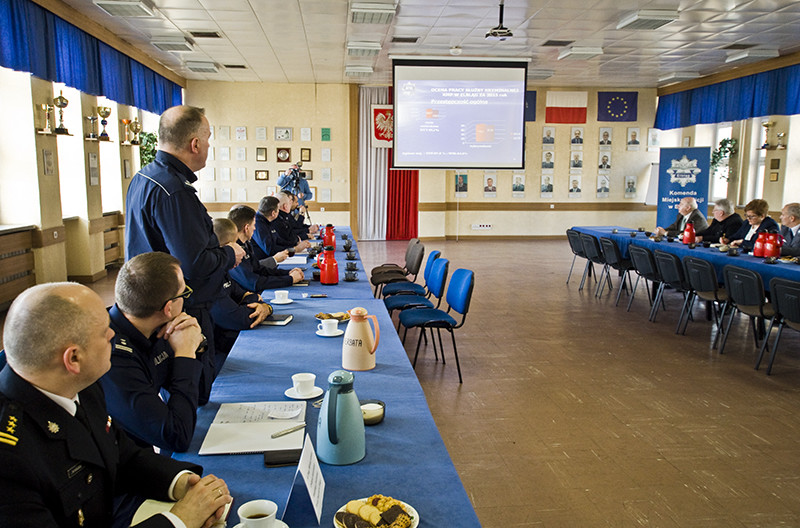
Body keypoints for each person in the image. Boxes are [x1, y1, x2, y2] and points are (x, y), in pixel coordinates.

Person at [0, 282, 231, 528]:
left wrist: (182, 482)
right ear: (74, 358)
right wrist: (180, 520)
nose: (113, 334)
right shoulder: (10, 459)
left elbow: (120, 454)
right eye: (104, 332)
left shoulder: (82, 387)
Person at [124, 105, 245, 405]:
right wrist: (229, 253)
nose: (207, 146)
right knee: (195, 393)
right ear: (195, 144)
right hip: (183, 307)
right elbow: (195, 264)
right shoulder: (174, 192)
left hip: (151, 301)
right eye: (208, 139)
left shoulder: (144, 178)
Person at [100, 252, 204, 454]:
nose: (186, 299)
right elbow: (177, 436)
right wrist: (185, 353)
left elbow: (202, 395)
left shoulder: (156, 328)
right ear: (168, 307)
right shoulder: (114, 357)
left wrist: (195, 346)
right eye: (184, 293)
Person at [224, 207, 304, 292]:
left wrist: (287, 273)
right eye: (254, 225)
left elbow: (259, 269)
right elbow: (254, 283)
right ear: (246, 228)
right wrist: (290, 279)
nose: (255, 228)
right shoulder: (235, 251)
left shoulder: (246, 244)